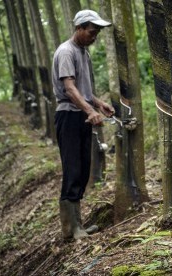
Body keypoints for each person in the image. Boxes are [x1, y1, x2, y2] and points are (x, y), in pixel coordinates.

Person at [52, 10, 115, 240]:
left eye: (97, 32)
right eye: (92, 31)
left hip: (82, 116)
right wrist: (90, 110)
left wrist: (99, 105)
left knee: (83, 169)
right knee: (72, 168)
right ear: (79, 28)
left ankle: (77, 225)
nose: (95, 35)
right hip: (69, 117)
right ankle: (70, 229)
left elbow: (84, 91)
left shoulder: (84, 53)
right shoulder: (66, 52)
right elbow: (69, 89)